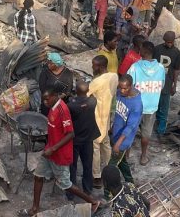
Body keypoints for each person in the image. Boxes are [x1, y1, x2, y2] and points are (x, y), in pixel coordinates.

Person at [22, 87, 103, 216]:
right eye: (44, 100)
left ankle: (93, 201)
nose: (45, 103)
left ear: (55, 96)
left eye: (47, 99)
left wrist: (54, 148)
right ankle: (35, 208)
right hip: (49, 151)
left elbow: (70, 134)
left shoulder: (63, 110)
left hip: (59, 154)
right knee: (38, 176)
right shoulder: (52, 108)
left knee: (67, 184)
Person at [127, 41, 165, 166]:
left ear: (143, 51)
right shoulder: (160, 68)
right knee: (146, 133)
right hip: (151, 106)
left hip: (136, 105)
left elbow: (128, 85)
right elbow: (162, 85)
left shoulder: (135, 67)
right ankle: (143, 156)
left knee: (130, 130)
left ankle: (126, 155)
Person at [88, 55, 119, 188]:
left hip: (97, 117)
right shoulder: (114, 76)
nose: (92, 67)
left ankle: (97, 177)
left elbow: (85, 94)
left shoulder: (96, 82)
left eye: (94, 65)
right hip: (107, 116)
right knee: (106, 144)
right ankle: (110, 169)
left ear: (100, 67)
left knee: (95, 148)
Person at [66, 81, 100, 196]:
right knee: (87, 165)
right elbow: (88, 100)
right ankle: (87, 189)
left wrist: (72, 98)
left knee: (73, 166)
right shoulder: (93, 101)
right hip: (88, 139)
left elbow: (72, 105)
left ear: (76, 91)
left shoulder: (71, 105)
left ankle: (71, 192)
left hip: (75, 140)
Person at [109, 75, 143, 184]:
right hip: (115, 133)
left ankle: (108, 195)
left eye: (125, 88)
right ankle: (130, 182)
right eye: (120, 88)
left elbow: (130, 126)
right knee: (122, 162)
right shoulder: (119, 93)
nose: (122, 91)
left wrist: (118, 144)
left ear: (131, 86)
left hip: (123, 140)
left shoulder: (136, 104)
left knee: (110, 168)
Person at [154, 32, 180, 137]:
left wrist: (175, 85)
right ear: (164, 40)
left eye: (170, 42)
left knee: (164, 107)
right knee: (155, 104)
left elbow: (177, 70)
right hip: (155, 82)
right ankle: (156, 123)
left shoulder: (177, 52)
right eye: (167, 42)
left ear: (174, 41)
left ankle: (161, 130)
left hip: (167, 83)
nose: (169, 44)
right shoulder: (157, 49)